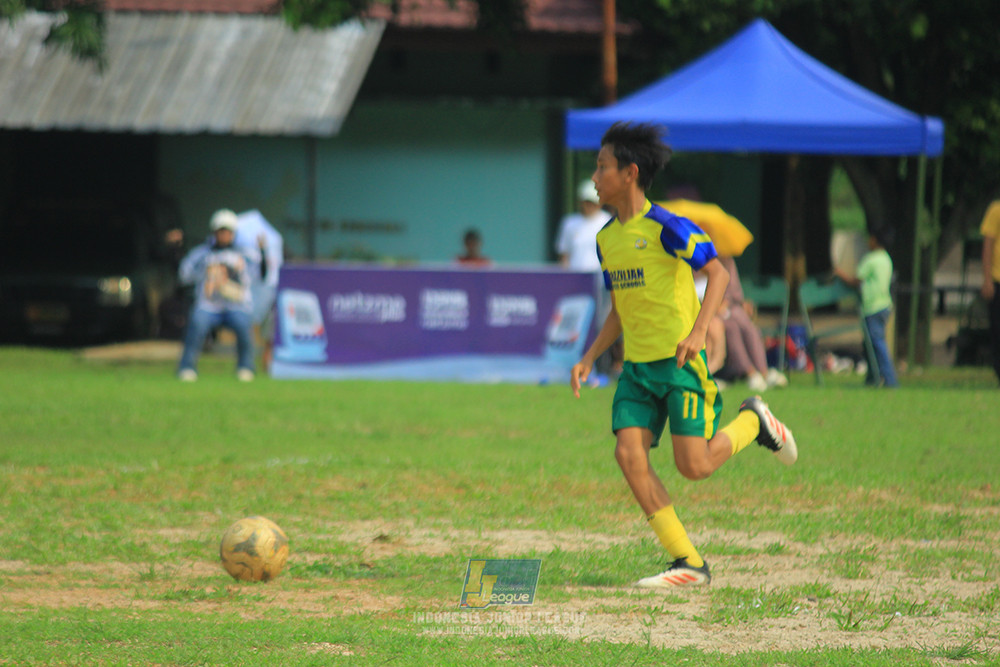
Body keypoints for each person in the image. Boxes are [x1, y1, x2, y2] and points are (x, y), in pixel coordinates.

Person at [570, 122, 798, 589]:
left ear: (629, 173)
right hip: (637, 370)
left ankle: (754, 421)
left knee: (694, 467)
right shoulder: (605, 239)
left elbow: (715, 275)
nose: (594, 176)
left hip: (679, 366)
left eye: (601, 166)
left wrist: (697, 333)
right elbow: (619, 309)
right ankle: (688, 562)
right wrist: (590, 355)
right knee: (628, 453)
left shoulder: (668, 227)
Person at [176, 209, 261, 382]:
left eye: (227, 231)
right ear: (214, 232)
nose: (224, 235)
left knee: (243, 326)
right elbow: (184, 274)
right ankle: (187, 367)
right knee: (197, 324)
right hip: (209, 305)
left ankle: (245, 367)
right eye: (221, 231)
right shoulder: (202, 254)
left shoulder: (245, 254)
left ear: (233, 233)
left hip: (236, 305)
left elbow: (262, 273)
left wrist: (264, 251)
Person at [833, 228, 899, 387]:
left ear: (875, 241)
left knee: (877, 344)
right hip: (885, 306)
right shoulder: (886, 259)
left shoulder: (871, 259)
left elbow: (856, 280)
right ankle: (873, 378)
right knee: (870, 344)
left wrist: (839, 274)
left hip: (872, 308)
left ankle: (890, 380)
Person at [717, 255, 788, 391]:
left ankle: (763, 371)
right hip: (710, 308)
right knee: (732, 328)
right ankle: (750, 372)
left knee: (747, 325)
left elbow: (735, 292)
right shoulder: (694, 257)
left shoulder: (727, 260)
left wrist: (741, 303)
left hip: (730, 307)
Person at [556, 180, 609, 271]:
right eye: (586, 202)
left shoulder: (607, 222)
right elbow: (564, 254)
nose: (588, 206)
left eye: (592, 203)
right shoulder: (569, 223)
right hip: (574, 279)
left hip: (600, 280)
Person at [980, 201, 1000, 385]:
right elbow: (988, 245)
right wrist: (987, 279)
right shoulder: (996, 210)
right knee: (997, 328)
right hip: (997, 278)